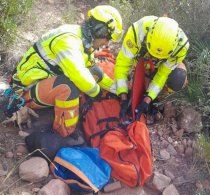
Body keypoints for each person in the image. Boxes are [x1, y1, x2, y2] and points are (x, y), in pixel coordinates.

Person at [7, 5, 123, 137]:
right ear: (99, 30)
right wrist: (96, 92)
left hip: (43, 82)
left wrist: (118, 90)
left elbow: (93, 71)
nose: (107, 43)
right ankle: (65, 133)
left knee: (95, 72)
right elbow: (80, 76)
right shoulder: (68, 41)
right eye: (107, 38)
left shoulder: (81, 39)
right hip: (25, 91)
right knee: (69, 86)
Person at [114, 16, 189, 120]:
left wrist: (148, 99)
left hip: (162, 66)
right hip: (141, 62)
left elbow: (162, 74)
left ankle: (158, 98)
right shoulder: (137, 32)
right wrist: (123, 96)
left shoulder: (181, 47)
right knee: (136, 88)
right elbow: (122, 64)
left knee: (178, 78)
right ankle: (146, 85)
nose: (155, 58)